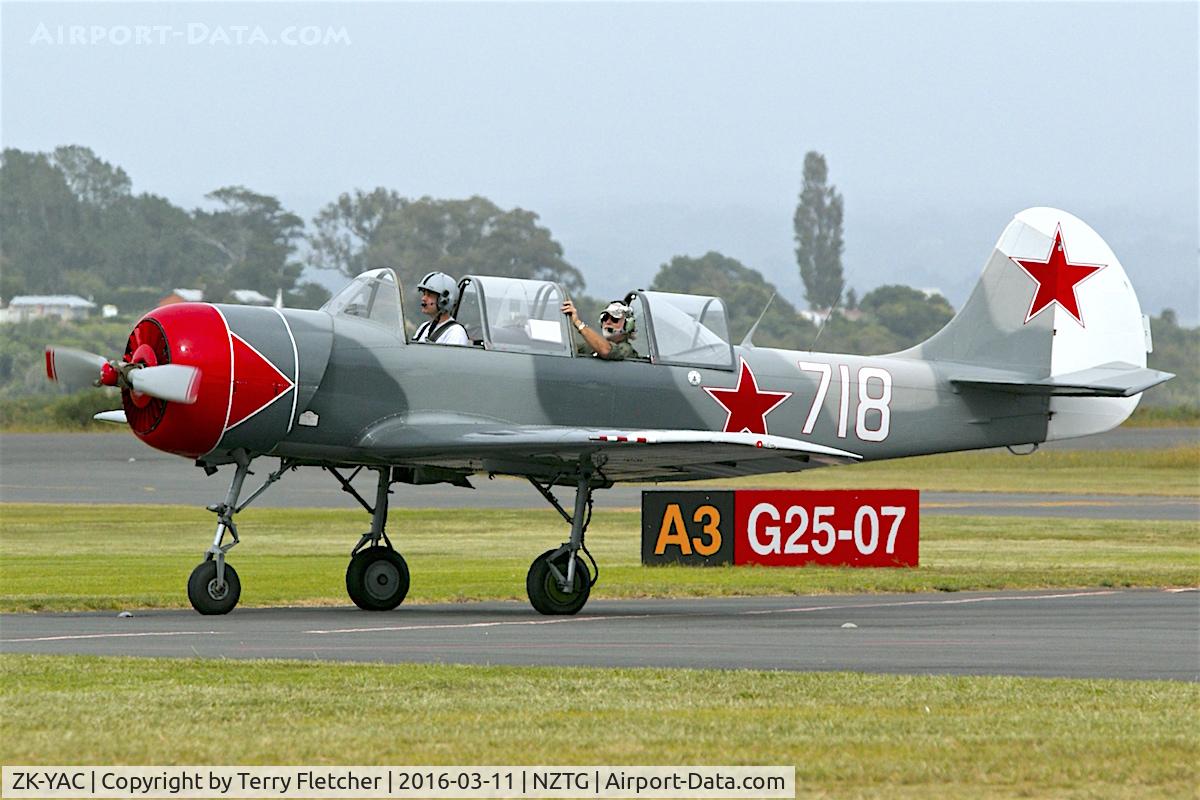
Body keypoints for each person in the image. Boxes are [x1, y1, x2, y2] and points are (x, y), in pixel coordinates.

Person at [561, 298, 638, 360]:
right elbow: (566, 349)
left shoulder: (626, 350)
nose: (607, 322)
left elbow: (606, 351)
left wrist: (578, 323)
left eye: (615, 319)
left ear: (628, 325)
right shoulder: (591, 347)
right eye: (605, 318)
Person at [413, 271, 470, 346]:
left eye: (429, 295)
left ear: (445, 300)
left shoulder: (455, 332)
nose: (423, 298)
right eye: (424, 294)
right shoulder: (424, 327)